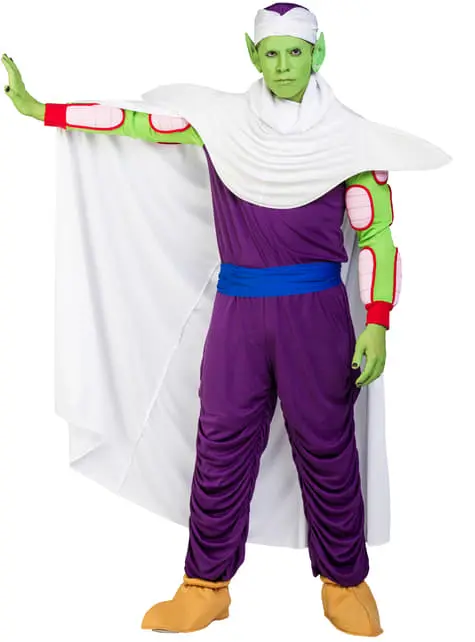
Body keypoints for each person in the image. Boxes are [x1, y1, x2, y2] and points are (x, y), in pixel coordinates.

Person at [2, 3, 450, 637]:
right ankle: (205, 585)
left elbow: (376, 234)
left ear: (318, 53)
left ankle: (345, 581)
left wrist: (377, 320)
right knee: (220, 445)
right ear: (252, 54)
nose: (284, 65)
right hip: (238, 310)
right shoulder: (222, 124)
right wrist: (40, 109)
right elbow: (135, 123)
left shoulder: (352, 141)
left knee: (326, 445)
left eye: (295, 52)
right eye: (272, 53)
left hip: (316, 315)